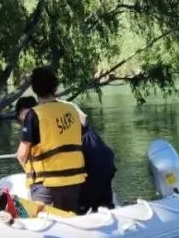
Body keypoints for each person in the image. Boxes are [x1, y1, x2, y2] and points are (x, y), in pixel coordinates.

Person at [15, 96, 116, 214]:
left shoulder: (41, 118)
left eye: (22, 117)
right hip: (102, 159)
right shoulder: (64, 110)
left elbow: (22, 154)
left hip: (86, 165)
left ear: (23, 111)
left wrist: (32, 174)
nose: (23, 121)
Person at [16, 67, 86, 213]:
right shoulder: (72, 110)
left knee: (47, 224)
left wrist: (30, 173)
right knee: (72, 222)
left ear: (34, 89)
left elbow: (22, 154)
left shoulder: (35, 114)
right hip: (75, 182)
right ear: (55, 87)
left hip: (47, 187)